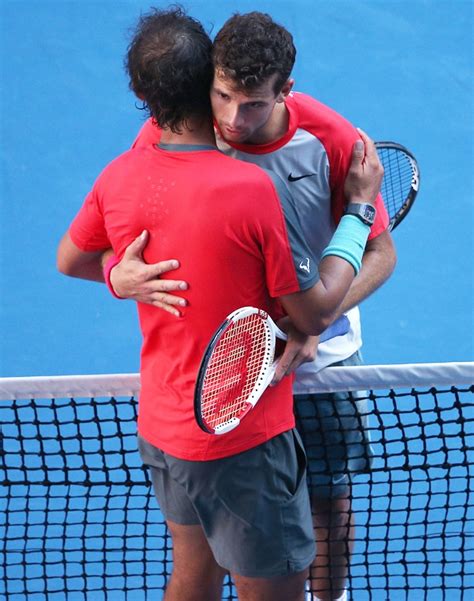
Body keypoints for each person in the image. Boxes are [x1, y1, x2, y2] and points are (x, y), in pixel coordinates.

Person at [56, 8, 383, 601]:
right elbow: (116, 238)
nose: (234, 117)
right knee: (223, 558)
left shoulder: (331, 140)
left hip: (325, 363)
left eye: (253, 103)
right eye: (223, 95)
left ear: (286, 90)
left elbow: (379, 255)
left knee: (330, 506)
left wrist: (318, 322)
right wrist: (118, 276)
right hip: (227, 385)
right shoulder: (168, 133)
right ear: (207, 78)